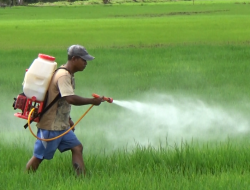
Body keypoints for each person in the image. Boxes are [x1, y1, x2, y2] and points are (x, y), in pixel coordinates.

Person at [26, 45, 103, 176]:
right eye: (83, 60)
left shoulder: (68, 74)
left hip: (61, 125)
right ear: (74, 59)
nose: (85, 63)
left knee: (77, 147)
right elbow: (70, 99)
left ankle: (82, 180)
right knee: (39, 156)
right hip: (50, 127)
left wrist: (68, 119)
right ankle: (24, 178)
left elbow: (59, 100)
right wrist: (92, 101)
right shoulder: (63, 75)